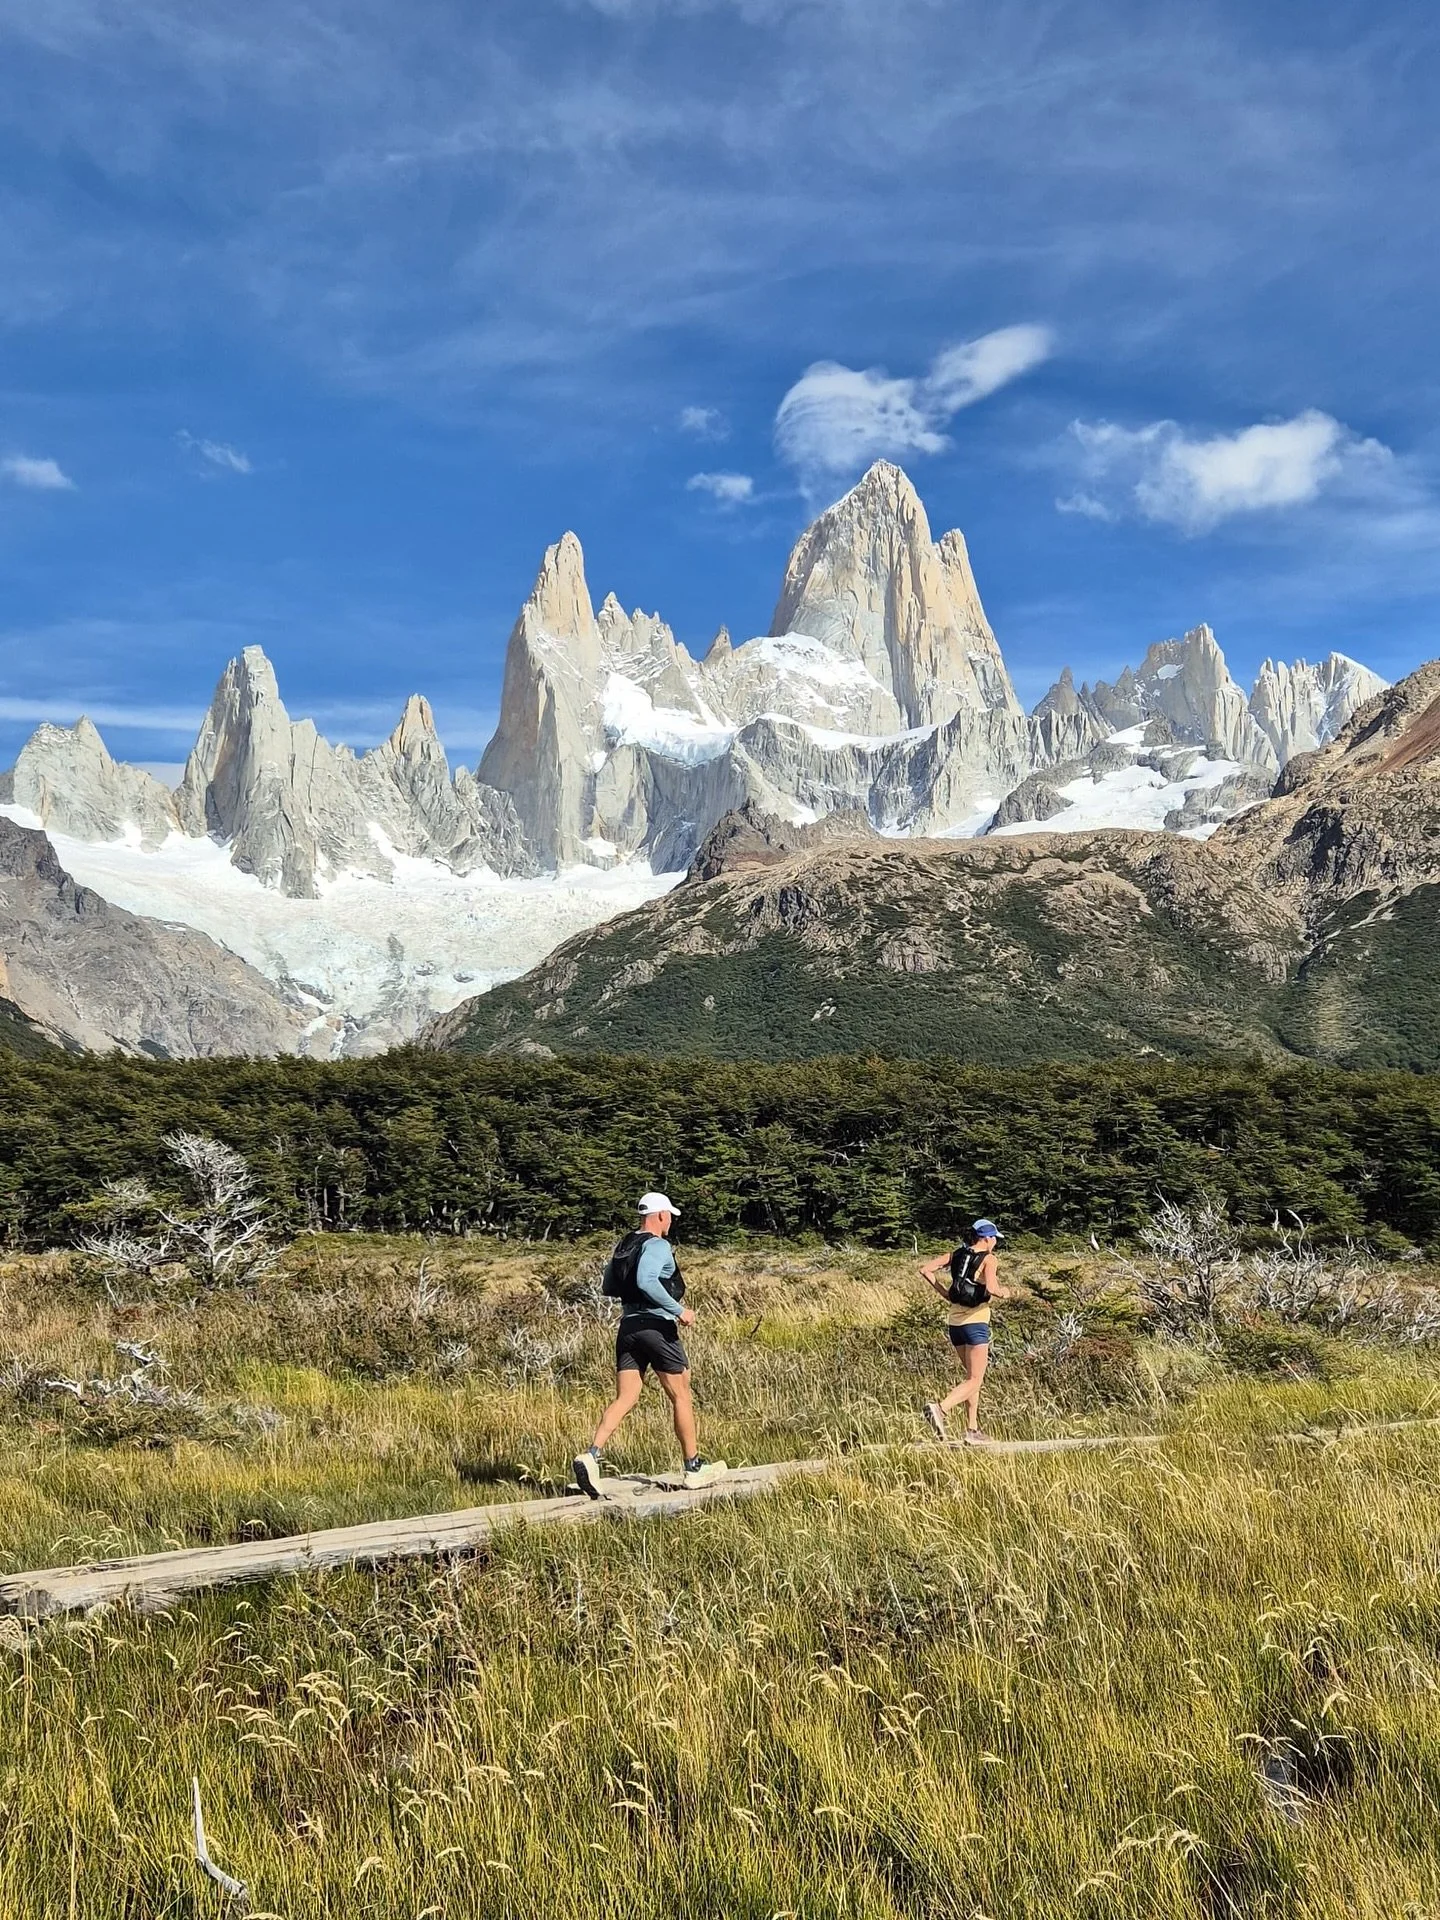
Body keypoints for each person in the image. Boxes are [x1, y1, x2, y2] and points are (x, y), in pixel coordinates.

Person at [573, 1191, 727, 1498]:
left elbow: (608, 1285)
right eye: (669, 1216)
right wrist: (678, 1310)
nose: (670, 1222)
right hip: (656, 1327)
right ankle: (694, 1467)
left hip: (628, 1327)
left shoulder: (625, 1244)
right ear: (660, 1216)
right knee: (681, 1394)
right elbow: (646, 1281)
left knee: (626, 1397)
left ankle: (591, 1455)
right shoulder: (657, 1245)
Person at [918, 1218, 1011, 1444]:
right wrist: (1005, 1292)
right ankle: (940, 1409)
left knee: (971, 1379)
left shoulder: (957, 1254)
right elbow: (991, 1288)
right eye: (995, 1239)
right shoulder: (989, 1259)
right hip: (976, 1322)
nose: (995, 1243)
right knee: (976, 1379)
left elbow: (925, 1269)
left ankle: (972, 1429)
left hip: (955, 1324)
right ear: (987, 1238)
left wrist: (944, 1292)